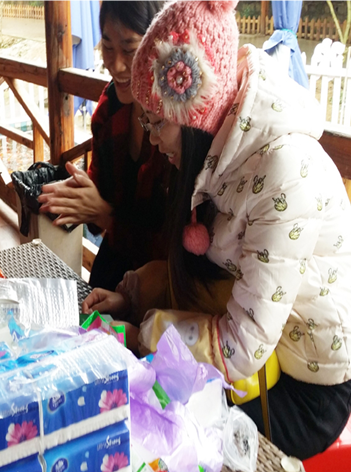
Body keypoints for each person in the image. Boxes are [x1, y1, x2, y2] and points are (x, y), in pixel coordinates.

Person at [83, 0, 350, 460]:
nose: (152, 138)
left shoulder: (283, 172)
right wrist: (133, 294)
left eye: (156, 122)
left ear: (194, 111)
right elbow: (202, 273)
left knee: (164, 420)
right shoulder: (218, 152)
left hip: (305, 384)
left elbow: (240, 349)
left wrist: (141, 334)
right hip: (262, 352)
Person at [38, 0, 171, 292]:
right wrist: (81, 194)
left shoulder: (177, 127)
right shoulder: (109, 108)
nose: (115, 64)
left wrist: (103, 214)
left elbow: (173, 249)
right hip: (113, 268)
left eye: (130, 49)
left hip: (162, 288)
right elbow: (98, 205)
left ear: (160, 46)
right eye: (108, 47)